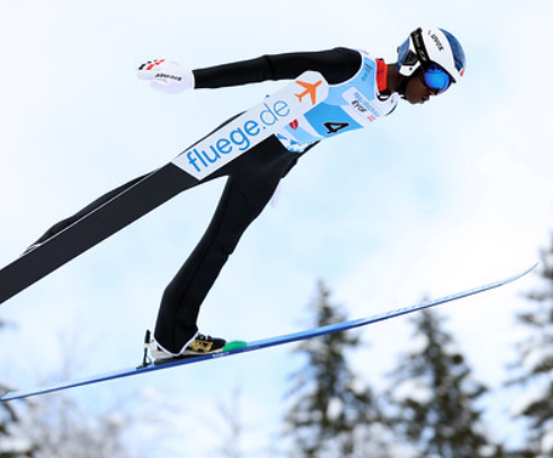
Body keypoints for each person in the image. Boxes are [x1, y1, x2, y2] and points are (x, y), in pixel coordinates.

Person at [29, 27, 466, 360]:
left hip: (274, 162)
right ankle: (55, 239)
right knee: (153, 191)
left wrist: (283, 171)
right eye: (434, 77)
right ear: (412, 59)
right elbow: (271, 66)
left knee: (221, 243)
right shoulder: (353, 66)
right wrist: (193, 80)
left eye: (444, 87)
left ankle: (171, 337)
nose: (433, 92)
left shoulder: (385, 104)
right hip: (252, 136)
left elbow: (319, 129)